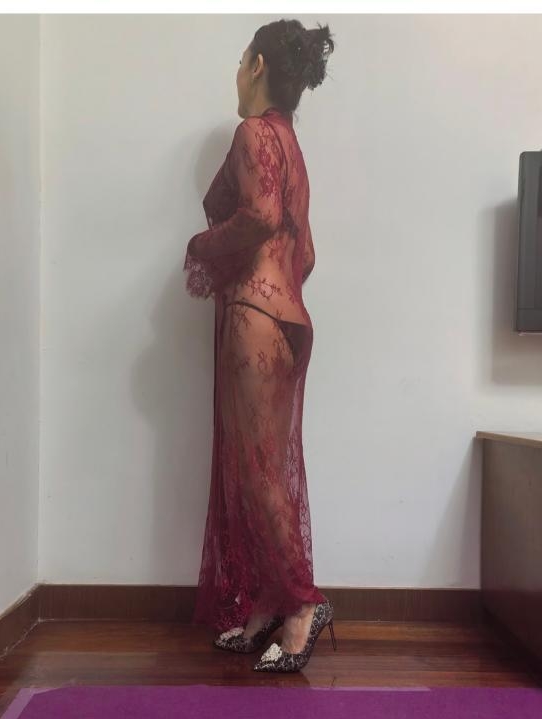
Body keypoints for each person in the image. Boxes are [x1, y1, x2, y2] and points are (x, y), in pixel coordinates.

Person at [183, 19, 336, 672]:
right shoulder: (290, 146)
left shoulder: (253, 133)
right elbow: (306, 252)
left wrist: (201, 245)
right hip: (287, 322)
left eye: (241, 57)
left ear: (257, 65)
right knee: (261, 471)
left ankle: (302, 604)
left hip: (254, 317)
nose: (237, 69)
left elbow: (263, 217)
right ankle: (270, 600)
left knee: (259, 472)